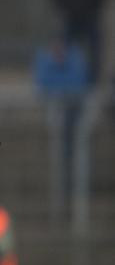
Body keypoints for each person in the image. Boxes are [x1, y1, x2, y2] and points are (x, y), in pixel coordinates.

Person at [32, 37, 90, 217]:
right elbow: (42, 86)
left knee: (74, 158)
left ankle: (72, 204)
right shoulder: (45, 62)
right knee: (60, 159)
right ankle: (60, 203)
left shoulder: (75, 61)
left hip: (73, 120)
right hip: (57, 121)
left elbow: (77, 85)